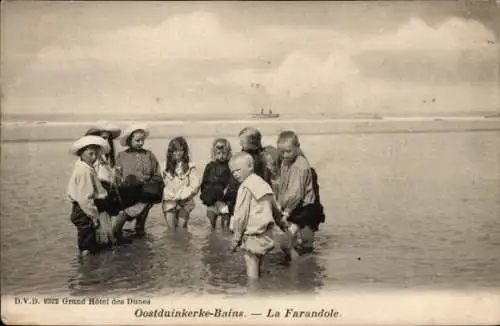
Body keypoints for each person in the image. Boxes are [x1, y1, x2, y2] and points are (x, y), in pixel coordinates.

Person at [228, 152, 285, 280]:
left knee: (251, 271)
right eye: (232, 172)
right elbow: (274, 206)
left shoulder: (245, 187)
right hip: (265, 234)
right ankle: (260, 291)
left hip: (252, 235)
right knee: (258, 266)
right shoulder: (264, 184)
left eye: (238, 170)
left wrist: (236, 238)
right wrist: (281, 223)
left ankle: (253, 294)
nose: (235, 174)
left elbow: (240, 216)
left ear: (250, 167)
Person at [276, 130, 325, 261]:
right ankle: (299, 264)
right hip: (297, 207)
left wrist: (286, 212)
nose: (285, 155)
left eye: (288, 151)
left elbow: (296, 193)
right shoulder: (285, 162)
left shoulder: (300, 165)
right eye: (282, 152)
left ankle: (302, 268)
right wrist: (280, 203)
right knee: (294, 243)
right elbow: (284, 186)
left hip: (306, 208)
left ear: (297, 148)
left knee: (304, 243)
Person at [84, 122, 132, 245]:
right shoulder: (93, 157)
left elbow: (112, 176)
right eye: (103, 137)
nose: (105, 141)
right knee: (103, 224)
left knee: (114, 218)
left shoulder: (108, 157)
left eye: (108, 138)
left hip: (110, 191)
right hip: (99, 192)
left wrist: (117, 175)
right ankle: (107, 241)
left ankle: (112, 238)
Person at [113, 124, 163, 238]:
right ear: (129, 140)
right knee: (121, 221)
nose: (141, 143)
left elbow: (157, 173)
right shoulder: (122, 156)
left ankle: (140, 241)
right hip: (128, 192)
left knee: (140, 225)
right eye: (137, 140)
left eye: (142, 140)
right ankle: (117, 236)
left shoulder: (149, 154)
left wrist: (151, 185)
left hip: (146, 193)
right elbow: (117, 175)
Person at [67, 135, 112, 256]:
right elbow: (85, 199)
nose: (94, 158)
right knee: (87, 242)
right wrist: (94, 218)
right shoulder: (84, 171)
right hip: (84, 210)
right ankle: (87, 266)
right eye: (90, 154)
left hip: (83, 209)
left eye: (96, 155)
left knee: (88, 239)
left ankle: (89, 268)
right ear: (81, 153)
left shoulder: (84, 167)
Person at [200, 138, 239, 230]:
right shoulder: (210, 166)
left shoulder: (231, 166)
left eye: (224, 153)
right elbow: (204, 183)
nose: (221, 156)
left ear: (228, 153)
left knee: (225, 227)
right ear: (214, 153)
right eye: (218, 153)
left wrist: (228, 197)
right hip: (212, 201)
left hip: (225, 201)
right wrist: (207, 196)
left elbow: (233, 183)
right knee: (210, 227)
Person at [162, 136, 200, 229]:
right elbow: (161, 184)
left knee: (182, 228)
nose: (178, 153)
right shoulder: (165, 167)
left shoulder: (190, 166)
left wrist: (184, 195)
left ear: (185, 151)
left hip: (185, 201)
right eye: (175, 150)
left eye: (181, 150)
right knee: (171, 230)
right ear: (170, 152)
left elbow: (195, 185)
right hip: (169, 201)